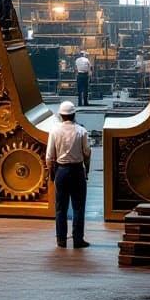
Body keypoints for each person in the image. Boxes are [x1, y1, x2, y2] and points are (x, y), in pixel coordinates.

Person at [46, 100, 91, 249]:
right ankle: (78, 240)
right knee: (78, 207)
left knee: (60, 208)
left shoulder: (54, 131)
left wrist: (52, 174)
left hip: (61, 171)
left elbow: (49, 157)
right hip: (77, 171)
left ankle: (61, 240)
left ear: (60, 115)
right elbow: (87, 153)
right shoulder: (81, 131)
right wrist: (87, 171)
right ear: (74, 115)